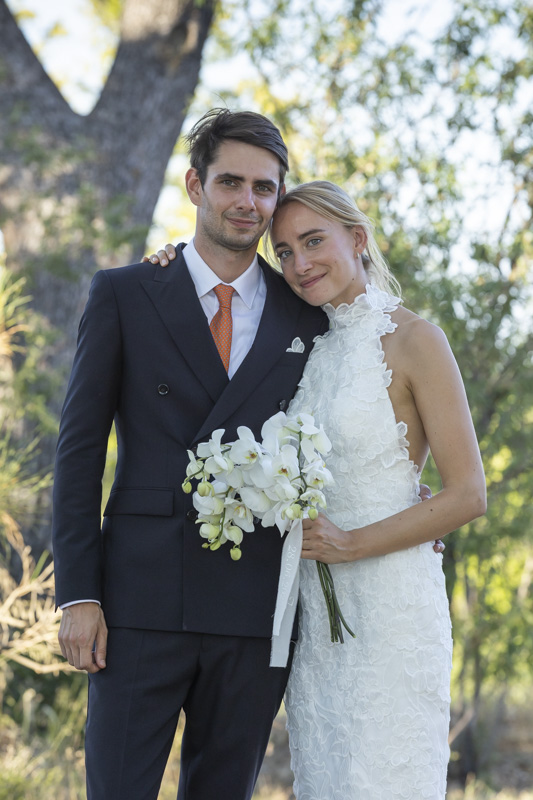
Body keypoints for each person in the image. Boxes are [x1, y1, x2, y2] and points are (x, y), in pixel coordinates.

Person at [152, 180, 486, 798]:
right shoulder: (300, 341)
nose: (300, 264)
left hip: (390, 605)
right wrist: (168, 262)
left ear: (356, 239)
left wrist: (353, 543)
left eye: (313, 242)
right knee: (328, 776)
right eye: (284, 252)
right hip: (312, 608)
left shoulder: (417, 340)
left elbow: (468, 494)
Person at [52, 109, 328, 800]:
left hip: (252, 604)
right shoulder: (123, 293)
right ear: (194, 185)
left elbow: (344, 434)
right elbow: (80, 449)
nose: (247, 202)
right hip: (137, 604)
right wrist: (79, 594)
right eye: (230, 182)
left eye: (264, 188)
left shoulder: (307, 317)